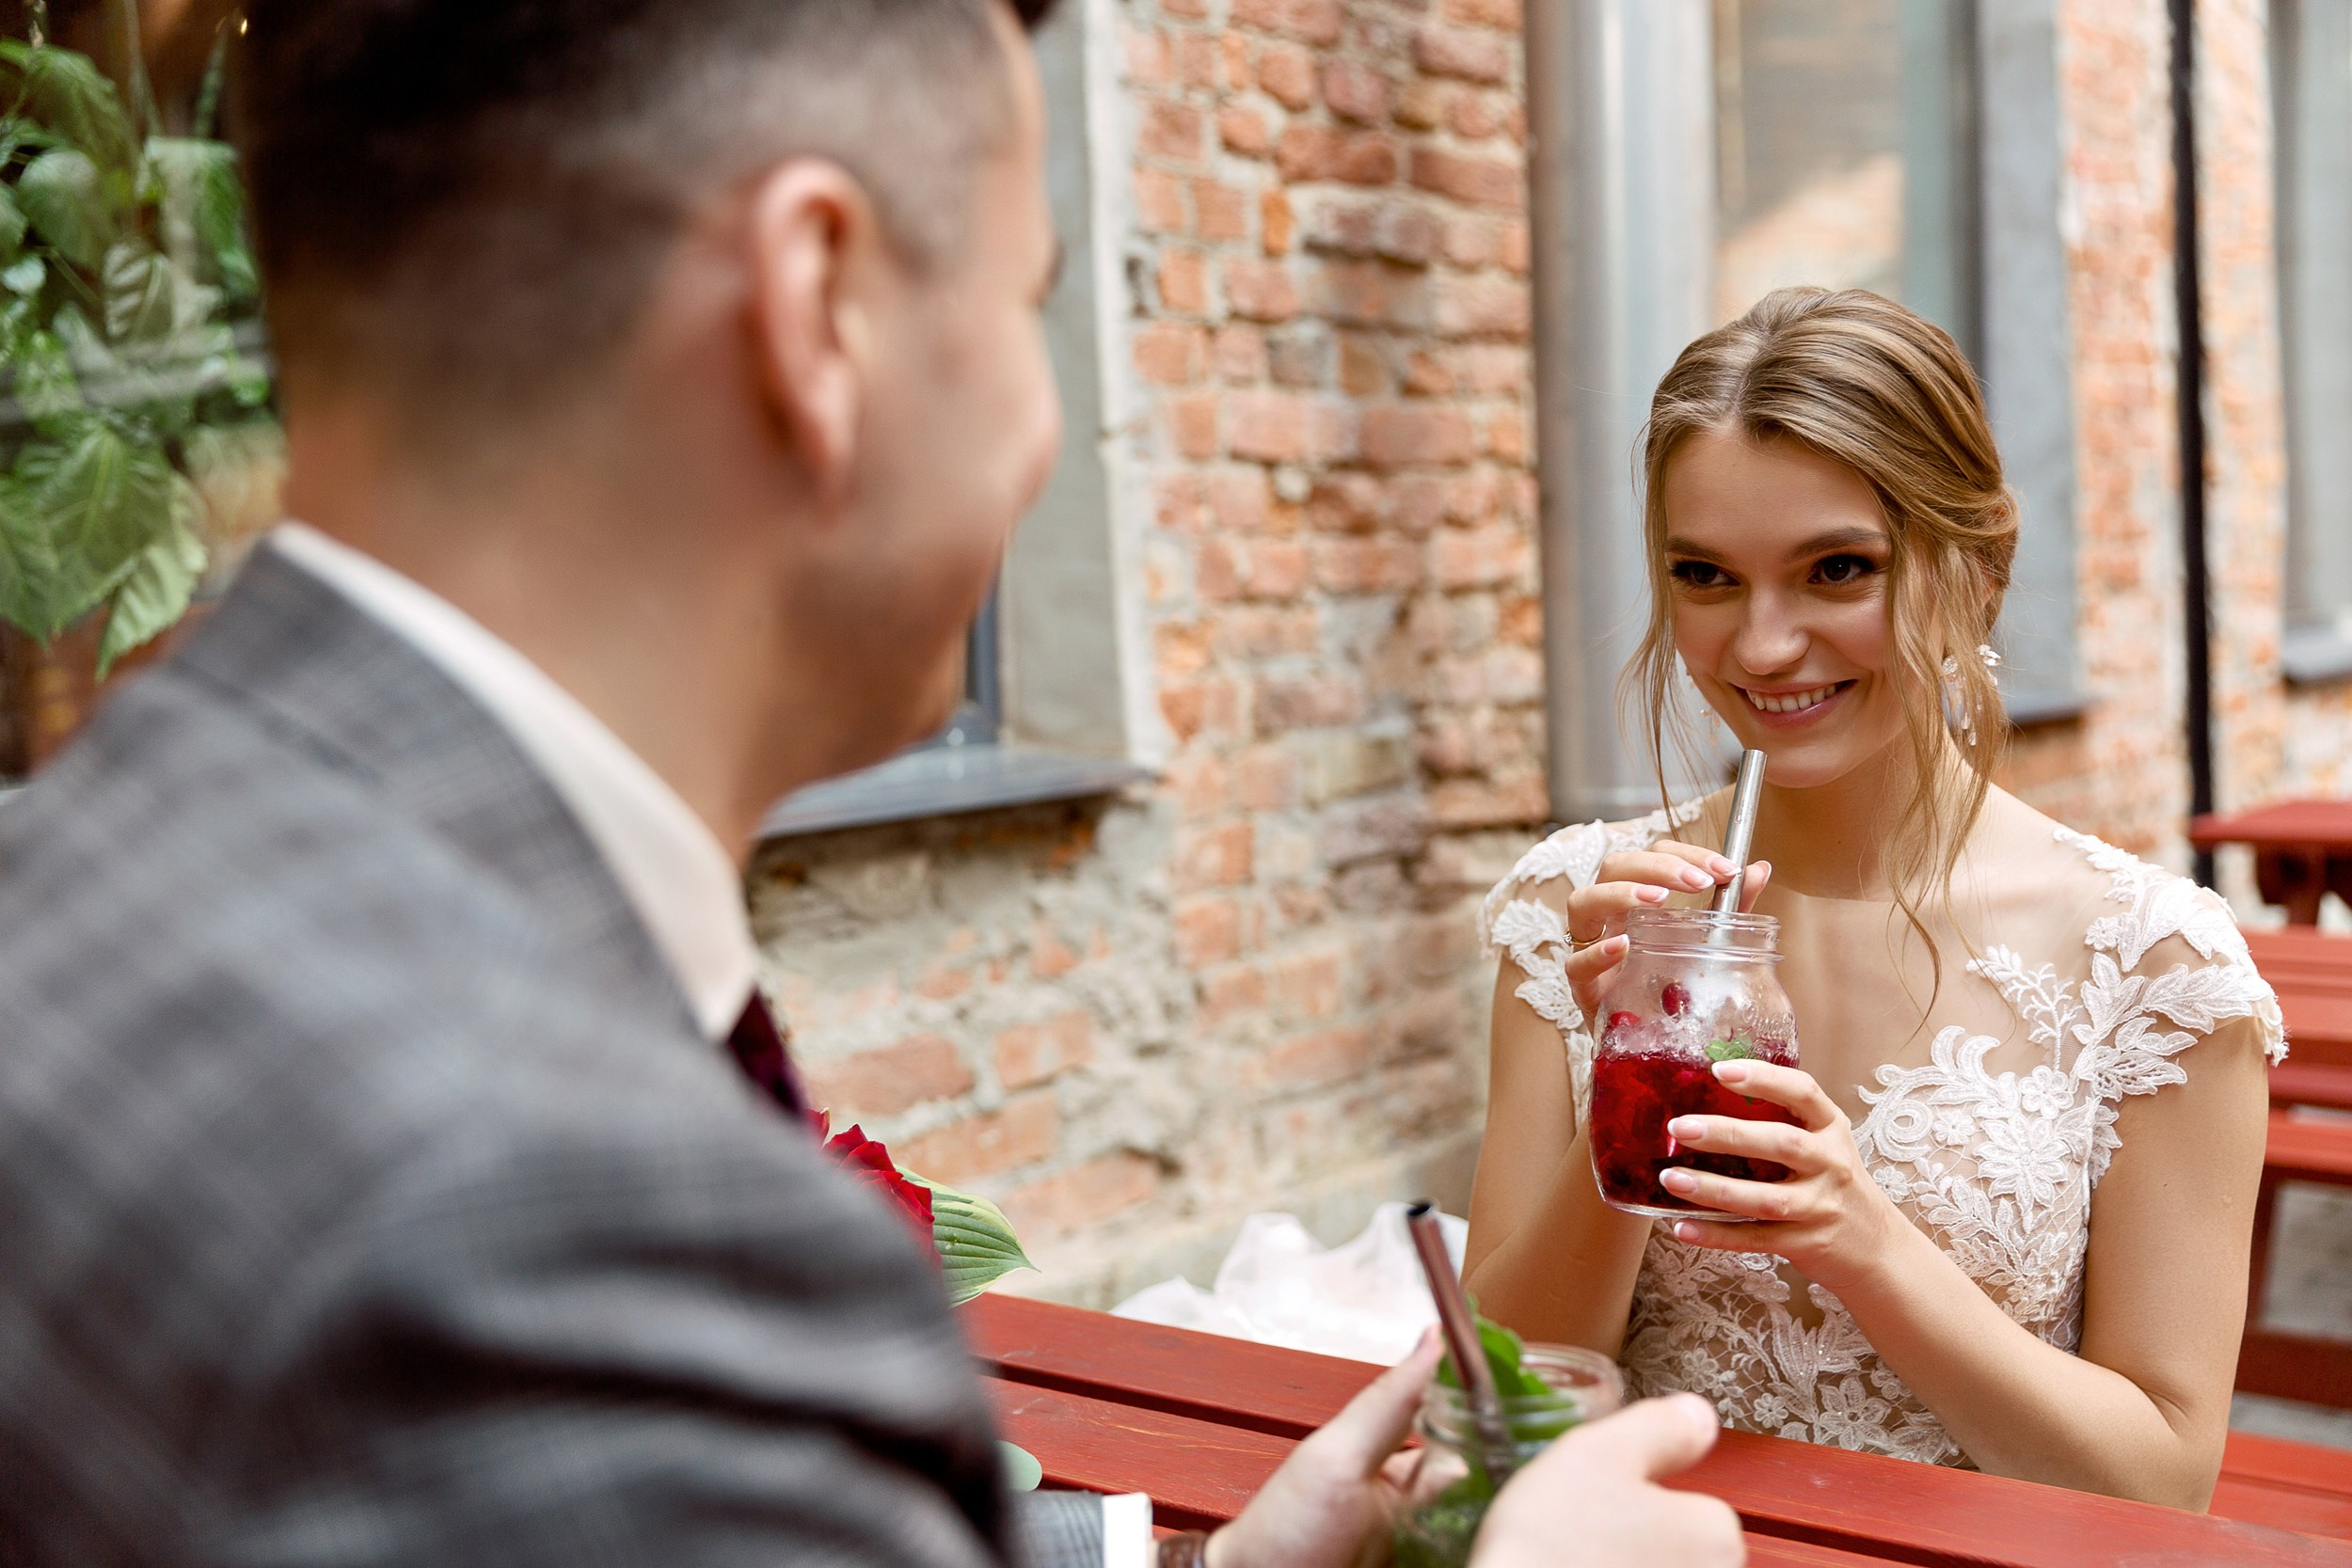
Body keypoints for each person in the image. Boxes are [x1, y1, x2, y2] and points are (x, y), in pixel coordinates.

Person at [0, 1, 1746, 1564]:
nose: (1039, 428)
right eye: (1024, 301)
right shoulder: (584, 1245)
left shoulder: (96, 869)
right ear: (816, 306)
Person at [1464, 286, 2284, 1510]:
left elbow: (2160, 1484)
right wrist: (1624, 1112)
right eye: (1707, 577)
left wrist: (1864, 1240)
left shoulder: (2155, 967)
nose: (1761, 647)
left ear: (1979, 570)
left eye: (1836, 571)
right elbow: (1504, 1404)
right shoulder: (1578, 911)